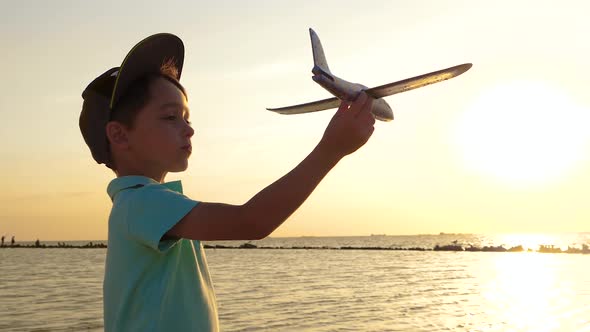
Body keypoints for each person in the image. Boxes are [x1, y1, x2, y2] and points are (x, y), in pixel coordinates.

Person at [79, 33, 375, 332]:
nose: (189, 130)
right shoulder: (140, 202)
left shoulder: (146, 204)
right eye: (171, 117)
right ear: (119, 135)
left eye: (187, 118)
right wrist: (331, 150)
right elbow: (251, 222)